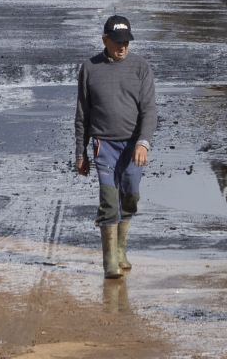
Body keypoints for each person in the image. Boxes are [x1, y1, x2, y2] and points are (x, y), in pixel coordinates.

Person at [73, 15, 157, 280]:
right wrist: (80, 152)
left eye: (126, 42)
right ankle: (109, 261)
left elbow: (149, 110)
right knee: (109, 200)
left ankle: (121, 250)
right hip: (104, 145)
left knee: (130, 195)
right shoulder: (90, 68)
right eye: (117, 41)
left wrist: (143, 143)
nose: (122, 46)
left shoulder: (140, 67)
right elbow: (82, 114)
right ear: (105, 40)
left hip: (133, 146)